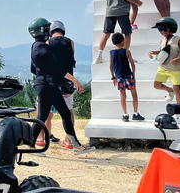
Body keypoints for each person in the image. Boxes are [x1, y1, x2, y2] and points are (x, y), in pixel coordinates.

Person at [29, 18, 94, 155]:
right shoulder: (43, 49)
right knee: (64, 113)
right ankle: (76, 146)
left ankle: (31, 146)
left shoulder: (36, 46)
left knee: (42, 116)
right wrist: (75, 80)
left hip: (43, 84)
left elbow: (33, 69)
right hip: (49, 85)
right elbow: (57, 69)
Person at [36, 21, 74, 148]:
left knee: (43, 111)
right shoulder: (70, 42)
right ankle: (69, 140)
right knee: (68, 112)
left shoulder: (47, 43)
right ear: (63, 30)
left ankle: (42, 138)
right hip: (67, 82)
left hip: (50, 81)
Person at [95, 0, 142, 64]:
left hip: (110, 11)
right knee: (127, 33)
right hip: (122, 10)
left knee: (106, 33)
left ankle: (99, 56)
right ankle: (124, 56)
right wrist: (137, 2)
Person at [148, 17, 180, 123]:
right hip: (163, 67)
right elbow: (162, 51)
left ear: (171, 29)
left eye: (165, 30)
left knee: (177, 89)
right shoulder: (162, 40)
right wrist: (153, 52)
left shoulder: (177, 39)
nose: (163, 32)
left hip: (175, 68)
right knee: (157, 85)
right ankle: (169, 90)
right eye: (161, 30)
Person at [109, 33, 144, 122]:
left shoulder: (111, 53)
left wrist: (113, 77)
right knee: (134, 94)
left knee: (122, 95)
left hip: (119, 77)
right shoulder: (127, 51)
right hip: (128, 75)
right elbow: (132, 63)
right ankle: (135, 113)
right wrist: (134, 75)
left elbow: (111, 66)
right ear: (123, 41)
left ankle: (125, 114)